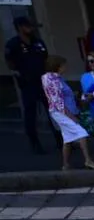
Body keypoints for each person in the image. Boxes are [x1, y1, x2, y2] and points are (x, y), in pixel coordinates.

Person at [41, 56, 94, 170]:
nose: (65, 67)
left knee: (67, 138)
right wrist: (72, 117)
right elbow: (58, 102)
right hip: (62, 112)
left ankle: (66, 164)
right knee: (82, 133)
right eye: (63, 65)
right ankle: (88, 160)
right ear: (58, 66)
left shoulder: (53, 78)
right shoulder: (54, 81)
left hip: (62, 111)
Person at [5, 16, 54, 153]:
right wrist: (19, 76)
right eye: (28, 26)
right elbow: (10, 64)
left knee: (53, 111)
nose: (31, 29)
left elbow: (46, 59)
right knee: (30, 114)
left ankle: (61, 140)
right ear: (20, 27)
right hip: (28, 83)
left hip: (43, 81)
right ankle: (35, 142)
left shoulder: (38, 42)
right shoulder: (13, 44)